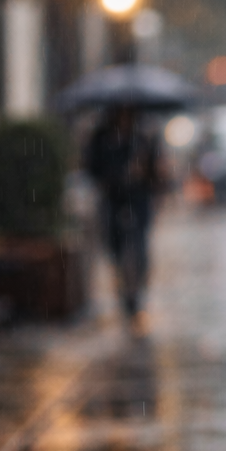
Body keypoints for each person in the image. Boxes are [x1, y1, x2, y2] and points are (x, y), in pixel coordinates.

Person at [86, 105, 160, 320]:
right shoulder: (101, 137)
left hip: (139, 200)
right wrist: (115, 175)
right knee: (116, 247)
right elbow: (92, 168)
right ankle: (125, 292)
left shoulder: (144, 136)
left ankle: (136, 294)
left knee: (138, 247)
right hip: (112, 200)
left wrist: (144, 171)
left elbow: (157, 173)